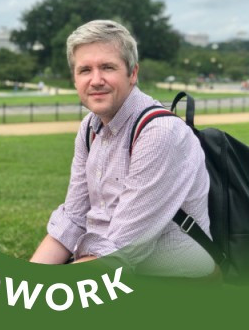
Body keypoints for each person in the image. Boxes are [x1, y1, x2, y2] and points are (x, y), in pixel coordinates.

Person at [30, 19, 216, 279]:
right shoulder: (90, 127)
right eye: (85, 70)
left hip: (174, 281)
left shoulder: (160, 133)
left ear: (133, 73)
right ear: (74, 79)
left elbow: (118, 250)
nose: (96, 80)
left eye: (107, 67)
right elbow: (72, 220)